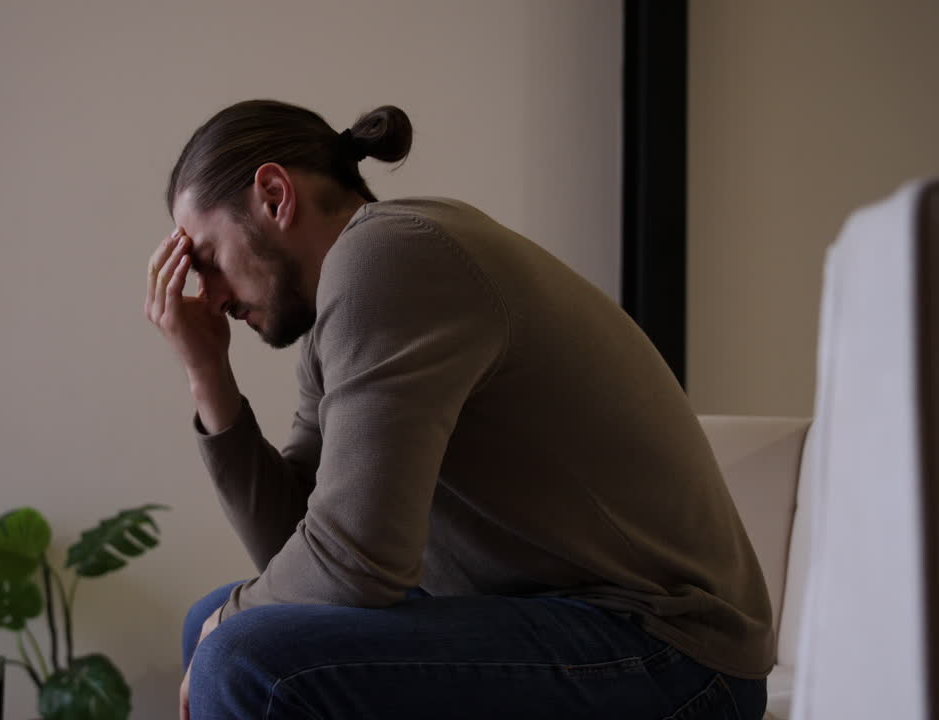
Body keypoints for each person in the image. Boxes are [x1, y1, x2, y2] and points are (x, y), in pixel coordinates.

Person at [145, 100, 772, 720]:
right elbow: (298, 552)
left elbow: (356, 564)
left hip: (672, 651)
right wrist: (209, 376)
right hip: (569, 621)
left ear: (275, 196)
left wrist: (230, 625)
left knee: (240, 655)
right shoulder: (348, 299)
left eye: (207, 261)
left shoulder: (387, 258)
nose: (210, 297)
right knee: (218, 627)